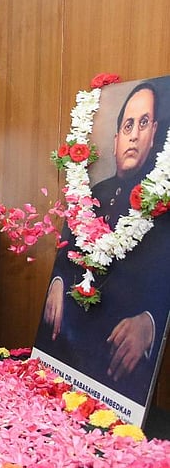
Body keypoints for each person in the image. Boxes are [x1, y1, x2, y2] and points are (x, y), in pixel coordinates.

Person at [37, 81, 170, 405]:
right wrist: (57, 280)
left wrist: (150, 324)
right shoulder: (95, 193)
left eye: (143, 124)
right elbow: (70, 249)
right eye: (128, 125)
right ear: (115, 141)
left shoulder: (162, 203)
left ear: (154, 136)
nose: (134, 135)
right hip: (71, 347)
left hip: (121, 368)